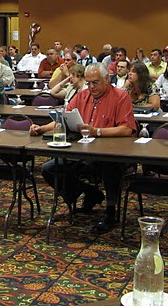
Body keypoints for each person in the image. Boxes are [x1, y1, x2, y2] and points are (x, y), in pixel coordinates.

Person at [30, 63, 135, 232]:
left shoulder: (121, 97)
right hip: (82, 150)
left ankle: (110, 211)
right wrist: (40, 129)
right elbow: (62, 118)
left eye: (95, 83)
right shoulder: (82, 96)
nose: (91, 87)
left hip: (110, 151)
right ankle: (90, 192)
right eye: (89, 83)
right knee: (50, 168)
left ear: (107, 80)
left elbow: (126, 129)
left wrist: (98, 131)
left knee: (110, 166)